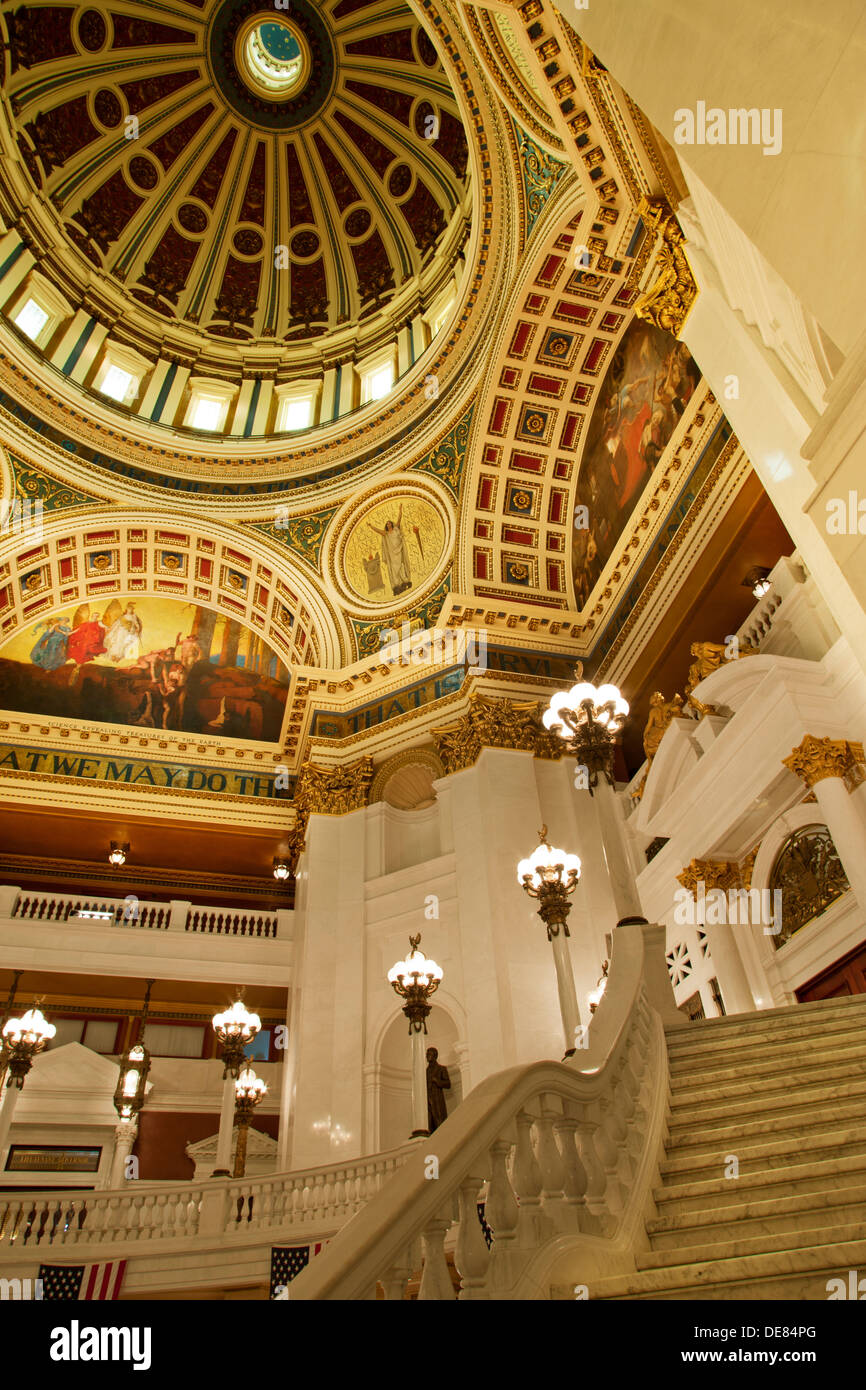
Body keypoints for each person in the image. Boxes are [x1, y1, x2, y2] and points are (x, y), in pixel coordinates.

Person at [368, 504, 412, 596]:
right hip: (392, 554)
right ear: (386, 526)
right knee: (394, 569)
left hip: (398, 551)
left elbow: (399, 519)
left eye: (389, 523)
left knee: (400, 566)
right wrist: (371, 526)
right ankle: (397, 585)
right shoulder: (386, 533)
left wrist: (400, 510)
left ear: (391, 524)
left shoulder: (396, 528)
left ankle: (405, 581)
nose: (388, 524)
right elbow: (378, 530)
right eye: (387, 524)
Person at [426, 1046, 451, 1132]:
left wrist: (437, 1081)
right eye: (427, 1054)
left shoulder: (441, 1069)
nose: (427, 1056)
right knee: (429, 1125)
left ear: (435, 1056)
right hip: (427, 1102)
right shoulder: (424, 1072)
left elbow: (448, 1084)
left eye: (429, 1054)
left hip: (437, 1101)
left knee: (439, 1124)